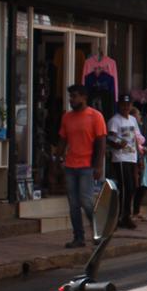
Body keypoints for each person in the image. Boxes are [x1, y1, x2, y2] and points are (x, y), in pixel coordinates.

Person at [57, 85, 106, 249]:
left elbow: (101, 142)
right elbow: (63, 139)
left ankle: (98, 232)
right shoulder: (67, 117)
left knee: (86, 201)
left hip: (87, 166)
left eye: (75, 96)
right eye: (70, 97)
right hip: (70, 165)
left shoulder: (95, 116)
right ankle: (78, 237)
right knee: (73, 204)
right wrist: (58, 158)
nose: (72, 100)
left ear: (84, 97)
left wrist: (98, 166)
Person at [106, 94, 143, 229]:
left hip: (131, 156)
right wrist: (117, 144)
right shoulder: (114, 121)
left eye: (128, 105)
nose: (126, 107)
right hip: (120, 157)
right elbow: (110, 138)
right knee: (124, 187)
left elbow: (136, 137)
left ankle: (126, 214)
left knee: (131, 187)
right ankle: (120, 217)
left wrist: (140, 154)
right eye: (123, 104)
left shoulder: (133, 120)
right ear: (119, 105)